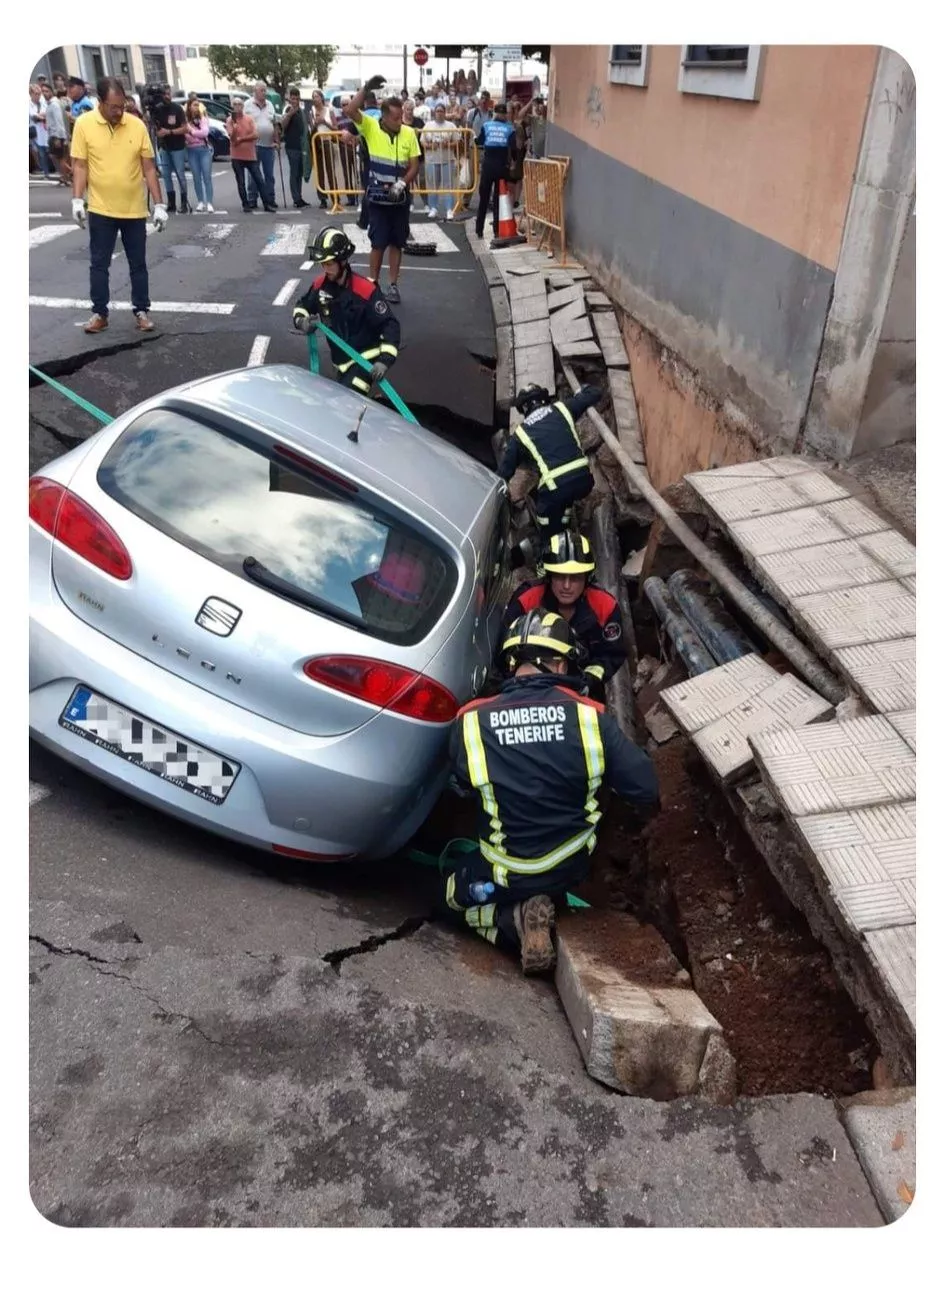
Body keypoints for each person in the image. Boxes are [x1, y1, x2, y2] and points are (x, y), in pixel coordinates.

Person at [445, 610, 658, 972]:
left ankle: (512, 922)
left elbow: (462, 789)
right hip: (570, 867)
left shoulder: (471, 721)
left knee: (450, 895)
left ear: (512, 664)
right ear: (560, 664)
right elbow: (646, 788)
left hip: (505, 872)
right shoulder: (592, 718)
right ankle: (545, 906)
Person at [69, 77, 167, 336]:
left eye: (121, 106)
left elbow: (148, 167)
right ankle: (100, 313)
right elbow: (80, 165)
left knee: (138, 264)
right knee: (99, 264)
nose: (119, 111)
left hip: (134, 209)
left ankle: (141, 311)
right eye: (113, 106)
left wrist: (159, 204)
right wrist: (77, 199)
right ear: (100, 102)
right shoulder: (84, 124)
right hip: (101, 209)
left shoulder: (136, 125)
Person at [501, 533, 627, 703]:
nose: (566, 586)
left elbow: (612, 654)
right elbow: (504, 654)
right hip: (529, 691)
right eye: (560, 577)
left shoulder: (605, 607)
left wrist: (589, 680)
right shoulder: (526, 600)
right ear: (549, 576)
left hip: (584, 691)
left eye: (575, 578)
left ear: (587, 578)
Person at [291, 226, 400, 398]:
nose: (325, 269)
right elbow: (302, 306)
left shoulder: (365, 290)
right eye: (323, 264)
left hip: (365, 360)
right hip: (341, 362)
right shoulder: (320, 286)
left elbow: (390, 324)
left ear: (342, 261)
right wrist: (302, 322)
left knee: (346, 400)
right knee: (344, 402)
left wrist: (384, 361)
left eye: (329, 264)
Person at [344, 76, 420, 305]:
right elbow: (350, 110)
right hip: (377, 198)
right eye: (395, 118)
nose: (400, 121)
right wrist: (366, 88)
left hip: (400, 197)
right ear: (384, 117)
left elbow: (415, 165)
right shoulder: (370, 127)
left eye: (401, 117)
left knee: (397, 242)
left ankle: (393, 285)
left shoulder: (408, 133)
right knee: (378, 242)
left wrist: (402, 183)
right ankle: (373, 283)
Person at [498, 383, 603, 532]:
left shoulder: (521, 434)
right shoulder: (563, 408)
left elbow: (504, 472)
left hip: (556, 488)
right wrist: (580, 391)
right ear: (544, 399)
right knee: (563, 500)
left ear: (524, 408)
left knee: (545, 518)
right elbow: (595, 392)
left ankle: (552, 537)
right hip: (584, 480)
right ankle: (567, 521)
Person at [474, 101, 516, 241]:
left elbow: (479, 141)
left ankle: (479, 230)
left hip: (488, 166)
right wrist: (513, 162)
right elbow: (513, 149)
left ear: (494, 113)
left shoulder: (487, 126)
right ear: (505, 114)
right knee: (499, 200)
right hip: (501, 167)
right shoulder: (509, 129)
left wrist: (475, 140)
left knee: (484, 199)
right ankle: (497, 231)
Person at [225, 96, 273, 213]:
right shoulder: (230, 120)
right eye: (235, 104)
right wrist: (235, 129)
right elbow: (233, 139)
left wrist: (242, 138)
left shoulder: (249, 119)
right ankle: (245, 204)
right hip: (237, 156)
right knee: (241, 181)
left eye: (239, 104)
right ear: (232, 106)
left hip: (250, 155)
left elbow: (256, 134)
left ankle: (267, 203)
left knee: (259, 179)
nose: (237, 106)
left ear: (243, 106)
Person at [151, 85, 190, 214]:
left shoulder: (177, 109)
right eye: (164, 94)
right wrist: (157, 132)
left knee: (180, 174)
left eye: (168, 94)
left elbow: (185, 128)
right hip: (164, 146)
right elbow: (152, 125)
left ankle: (184, 202)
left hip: (178, 146)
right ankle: (171, 202)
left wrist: (169, 132)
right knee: (166, 175)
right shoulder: (157, 109)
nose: (167, 96)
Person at [244, 81, 278, 210]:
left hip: (268, 144)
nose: (264, 93)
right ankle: (252, 199)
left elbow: (274, 123)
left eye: (265, 90)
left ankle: (270, 199)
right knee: (253, 174)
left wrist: (276, 140)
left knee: (269, 174)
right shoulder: (247, 105)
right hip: (254, 144)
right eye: (262, 90)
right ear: (255, 91)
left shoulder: (270, 105)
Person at [422, 104, 459, 221]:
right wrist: (430, 145)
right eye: (437, 111)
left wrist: (448, 144)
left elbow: (457, 142)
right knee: (432, 185)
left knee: (448, 185)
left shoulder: (451, 125)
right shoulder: (428, 125)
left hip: (447, 159)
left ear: (445, 112)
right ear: (434, 113)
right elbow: (422, 142)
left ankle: (449, 209)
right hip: (432, 160)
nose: (439, 113)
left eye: (441, 111)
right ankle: (433, 208)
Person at [281, 86, 310, 209]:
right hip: (292, 146)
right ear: (289, 99)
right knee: (294, 172)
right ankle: (296, 198)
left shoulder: (301, 111)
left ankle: (299, 197)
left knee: (299, 173)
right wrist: (290, 114)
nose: (294, 101)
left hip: (301, 146)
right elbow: (282, 126)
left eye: (297, 99)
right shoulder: (288, 109)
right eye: (292, 99)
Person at [184, 98, 213, 212]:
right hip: (191, 150)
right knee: (196, 177)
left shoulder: (203, 119)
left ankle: (209, 202)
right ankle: (200, 201)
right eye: (194, 105)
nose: (196, 107)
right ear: (189, 107)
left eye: (198, 105)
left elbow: (205, 133)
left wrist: (192, 132)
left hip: (204, 149)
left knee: (207, 176)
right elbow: (187, 137)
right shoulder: (186, 121)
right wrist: (195, 135)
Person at [309, 90, 335, 209]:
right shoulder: (312, 112)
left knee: (330, 170)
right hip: (317, 141)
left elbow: (335, 127)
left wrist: (324, 122)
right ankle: (322, 199)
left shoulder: (329, 110)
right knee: (319, 172)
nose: (315, 99)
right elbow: (311, 128)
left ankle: (335, 197)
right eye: (313, 97)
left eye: (317, 96)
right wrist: (315, 123)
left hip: (327, 141)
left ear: (322, 98)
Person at [41, 83, 69, 182]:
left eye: (47, 91)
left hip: (57, 135)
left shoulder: (54, 104)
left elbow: (59, 121)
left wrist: (59, 137)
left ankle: (68, 175)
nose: (45, 93)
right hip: (52, 134)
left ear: (52, 92)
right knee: (56, 157)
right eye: (43, 91)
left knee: (60, 158)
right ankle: (65, 175)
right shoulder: (50, 104)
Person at [29, 84, 52, 177]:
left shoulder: (43, 102)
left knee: (50, 152)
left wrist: (41, 116)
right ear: (31, 94)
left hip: (46, 130)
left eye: (39, 94)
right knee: (41, 153)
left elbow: (46, 113)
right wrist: (40, 116)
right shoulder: (28, 104)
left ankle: (53, 169)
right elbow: (33, 116)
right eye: (36, 94)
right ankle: (46, 173)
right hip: (36, 132)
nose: (38, 96)